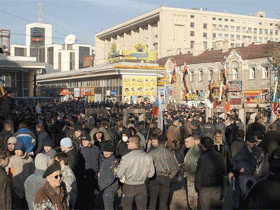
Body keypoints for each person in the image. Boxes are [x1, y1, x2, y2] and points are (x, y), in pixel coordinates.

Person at [115, 136, 155, 210]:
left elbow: (119, 174)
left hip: (129, 186)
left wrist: (124, 177)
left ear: (134, 143)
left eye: (128, 142)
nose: (127, 143)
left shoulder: (126, 157)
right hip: (142, 185)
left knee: (127, 207)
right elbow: (151, 174)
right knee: (142, 207)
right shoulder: (147, 157)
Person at [148, 134, 179, 210]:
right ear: (166, 142)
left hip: (153, 178)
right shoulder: (169, 153)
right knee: (163, 203)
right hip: (165, 178)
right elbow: (175, 167)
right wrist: (170, 176)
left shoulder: (151, 153)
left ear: (158, 142)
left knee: (152, 201)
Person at [195, 137, 226, 209]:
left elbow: (199, 174)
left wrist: (197, 187)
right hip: (217, 188)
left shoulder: (202, 158)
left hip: (205, 189)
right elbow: (224, 171)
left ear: (203, 146)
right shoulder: (219, 156)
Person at [8, 141, 34, 209]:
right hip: (16, 187)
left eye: (19, 150)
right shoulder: (12, 160)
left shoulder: (29, 159)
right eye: (16, 150)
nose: (17, 152)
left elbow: (32, 172)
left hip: (26, 187)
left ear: (22, 150)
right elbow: (9, 172)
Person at [230, 135, 258, 200]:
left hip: (251, 174)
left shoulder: (253, 150)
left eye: (254, 142)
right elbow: (232, 160)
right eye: (251, 142)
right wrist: (239, 168)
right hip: (244, 176)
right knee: (244, 195)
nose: (253, 143)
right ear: (247, 142)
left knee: (252, 194)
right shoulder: (243, 151)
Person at [180, 134, 201, 210]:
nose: (186, 143)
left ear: (193, 141)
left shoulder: (193, 151)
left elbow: (190, 166)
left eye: (188, 142)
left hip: (192, 176)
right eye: (185, 142)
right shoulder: (191, 150)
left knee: (192, 197)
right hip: (192, 175)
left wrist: (180, 167)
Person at [98, 141, 118, 210]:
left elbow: (111, 177)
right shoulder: (105, 160)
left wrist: (100, 187)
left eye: (108, 151)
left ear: (112, 151)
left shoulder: (113, 162)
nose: (106, 153)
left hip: (109, 189)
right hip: (105, 189)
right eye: (104, 151)